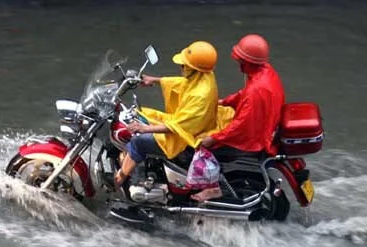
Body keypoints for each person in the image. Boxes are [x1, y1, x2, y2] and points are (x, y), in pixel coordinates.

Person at [114, 41, 228, 189]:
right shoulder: (205, 75)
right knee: (143, 114)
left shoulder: (201, 96)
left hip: (186, 136)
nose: (182, 68)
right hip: (189, 124)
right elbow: (184, 83)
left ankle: (118, 180)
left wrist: (144, 129)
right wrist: (155, 80)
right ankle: (134, 162)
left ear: (195, 69)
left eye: (184, 66)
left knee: (139, 142)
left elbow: (179, 126)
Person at [191, 34, 286, 202]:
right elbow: (244, 95)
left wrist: (213, 139)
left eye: (241, 61)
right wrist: (224, 102)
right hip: (265, 126)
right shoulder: (265, 73)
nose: (239, 65)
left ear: (248, 62)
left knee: (199, 144)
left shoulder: (256, 91)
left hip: (255, 138)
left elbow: (240, 126)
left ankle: (212, 188)